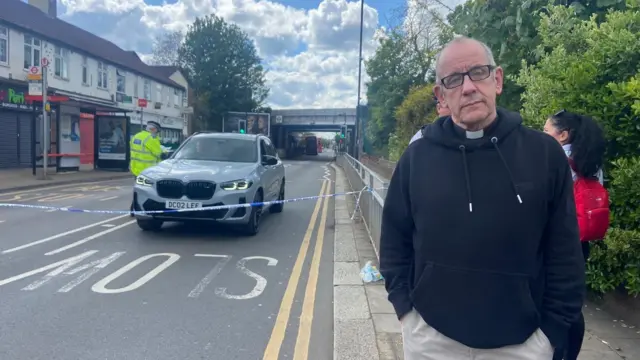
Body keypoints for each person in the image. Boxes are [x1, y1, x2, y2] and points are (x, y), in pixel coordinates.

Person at [379, 36, 585, 360]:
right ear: (441, 95)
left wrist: (550, 334)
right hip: (430, 340)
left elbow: (565, 254)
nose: (468, 87)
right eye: (453, 80)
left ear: (497, 79)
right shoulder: (416, 158)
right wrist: (406, 312)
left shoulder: (544, 155)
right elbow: (394, 239)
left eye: (478, 72)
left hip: (522, 345)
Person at [543, 110, 606, 360]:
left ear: (563, 135)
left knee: (550, 300)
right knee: (570, 300)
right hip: (580, 241)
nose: (542, 135)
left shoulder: (554, 160)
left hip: (555, 242)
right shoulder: (591, 162)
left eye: (546, 131)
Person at [129, 121, 163, 216]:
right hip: (148, 171)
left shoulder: (136, 136)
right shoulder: (151, 138)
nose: (156, 133)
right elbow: (158, 153)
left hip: (135, 168)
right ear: (153, 129)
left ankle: (133, 209)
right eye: (156, 131)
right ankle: (136, 209)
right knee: (150, 192)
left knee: (137, 189)